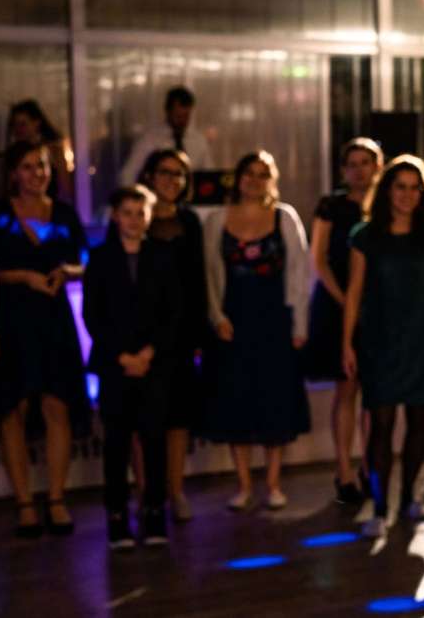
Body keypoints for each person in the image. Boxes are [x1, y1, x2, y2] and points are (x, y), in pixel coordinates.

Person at [0, 141, 91, 539]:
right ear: (13, 173)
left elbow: (84, 261)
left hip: (54, 319)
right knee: (14, 407)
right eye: (27, 167)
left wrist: (68, 272)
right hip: (11, 318)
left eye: (41, 166)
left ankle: (56, 498)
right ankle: (24, 502)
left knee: (57, 404)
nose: (36, 173)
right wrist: (23, 277)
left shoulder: (64, 212)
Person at [342, 155, 424, 539]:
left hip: (422, 339)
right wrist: (346, 344)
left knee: (419, 422)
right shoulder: (365, 236)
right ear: (387, 191)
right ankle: (378, 508)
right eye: (400, 186)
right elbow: (354, 294)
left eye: (415, 188)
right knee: (381, 425)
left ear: (423, 194)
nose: (407, 194)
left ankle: (409, 498)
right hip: (379, 342)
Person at [201, 151, 310, 511]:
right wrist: (217, 317)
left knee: (274, 403)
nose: (254, 180)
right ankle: (244, 485)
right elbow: (209, 275)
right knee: (238, 403)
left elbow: (299, 273)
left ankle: (273, 483)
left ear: (272, 181)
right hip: (233, 324)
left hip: (275, 323)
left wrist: (299, 325)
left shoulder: (285, 217)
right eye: (249, 172)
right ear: (238, 177)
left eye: (263, 174)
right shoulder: (217, 220)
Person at [83, 185, 182, 551]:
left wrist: (149, 353)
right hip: (115, 366)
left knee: (154, 440)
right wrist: (122, 357)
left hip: (154, 364)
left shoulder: (163, 256)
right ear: (115, 216)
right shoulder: (100, 259)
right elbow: (93, 315)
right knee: (117, 443)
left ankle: (155, 510)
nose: (134, 220)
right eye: (127, 213)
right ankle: (117, 516)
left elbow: (173, 312)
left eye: (141, 213)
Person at [305, 137, 382, 505]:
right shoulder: (331, 206)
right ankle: (344, 471)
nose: (359, 170)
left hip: (378, 309)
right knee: (346, 388)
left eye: (365, 162)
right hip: (336, 305)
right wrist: (346, 300)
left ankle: (370, 467)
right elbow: (318, 259)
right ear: (342, 170)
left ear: (377, 166)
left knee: (375, 394)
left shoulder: (387, 205)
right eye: (352, 163)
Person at [137, 150, 208, 522]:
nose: (172, 180)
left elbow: (198, 279)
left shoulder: (190, 221)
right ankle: (146, 493)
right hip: (141, 333)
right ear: (149, 175)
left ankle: (176, 490)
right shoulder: (137, 215)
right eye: (165, 172)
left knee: (178, 418)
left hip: (181, 332)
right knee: (143, 419)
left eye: (179, 174)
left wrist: (199, 334)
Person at [119, 87, 213, 185]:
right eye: (178, 116)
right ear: (168, 112)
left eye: (186, 116)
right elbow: (129, 173)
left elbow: (209, 173)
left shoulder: (198, 140)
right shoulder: (150, 140)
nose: (182, 121)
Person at [7, 100, 73, 203]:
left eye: (23, 124)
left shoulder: (53, 150)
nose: (18, 129)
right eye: (15, 125)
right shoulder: (12, 154)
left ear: (36, 123)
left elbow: (65, 188)